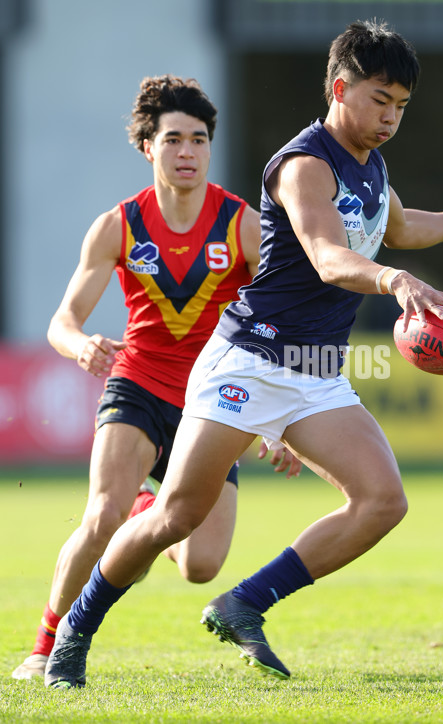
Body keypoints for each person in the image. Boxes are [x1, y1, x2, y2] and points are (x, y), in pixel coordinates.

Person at [44, 20, 443, 688]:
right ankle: (73, 634)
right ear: (340, 87)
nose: (390, 117)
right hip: (248, 361)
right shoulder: (304, 164)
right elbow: (330, 257)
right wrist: (391, 278)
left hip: (317, 374)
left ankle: (246, 602)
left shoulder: (370, 163)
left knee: (383, 501)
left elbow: (395, 223)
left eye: (401, 106)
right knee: (176, 517)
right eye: (379, 99)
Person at [12, 75, 300, 681]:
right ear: (149, 147)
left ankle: (153, 505)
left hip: (217, 399)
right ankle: (43, 647)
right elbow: (62, 322)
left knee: (200, 566)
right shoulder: (117, 226)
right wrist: (81, 344)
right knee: (102, 517)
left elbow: (280, 321)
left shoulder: (244, 225)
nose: (188, 152)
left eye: (199, 140)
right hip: (137, 383)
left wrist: (278, 420)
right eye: (173, 140)